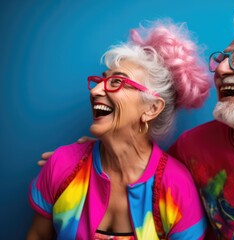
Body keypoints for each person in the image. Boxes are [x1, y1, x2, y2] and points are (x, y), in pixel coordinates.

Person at [38, 11, 234, 239]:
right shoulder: (192, 149)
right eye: (222, 58)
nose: (220, 69)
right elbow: (141, 167)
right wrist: (84, 156)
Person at [27, 20, 210, 240]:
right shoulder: (62, 164)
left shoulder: (177, 188)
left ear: (151, 108)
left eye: (116, 82)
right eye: (99, 81)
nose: (95, 91)